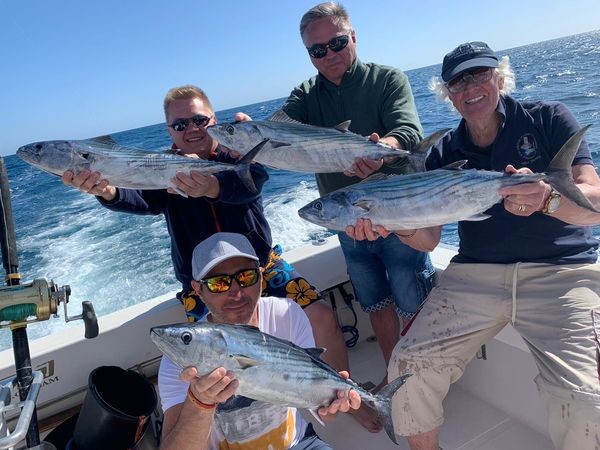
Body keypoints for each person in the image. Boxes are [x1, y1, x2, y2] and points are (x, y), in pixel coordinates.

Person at [350, 41, 600, 449]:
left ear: (499, 77)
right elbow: (429, 239)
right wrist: (395, 224)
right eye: (458, 82)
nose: (470, 88)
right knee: (407, 367)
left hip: (561, 272)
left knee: (586, 398)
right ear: (448, 94)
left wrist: (548, 198)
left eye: (479, 74)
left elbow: (595, 205)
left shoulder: (549, 118)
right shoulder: (444, 151)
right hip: (474, 275)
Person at [61, 85, 350, 375]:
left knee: (322, 317)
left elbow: (251, 184)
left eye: (199, 120)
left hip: (260, 267)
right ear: (169, 131)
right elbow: (140, 198)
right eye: (180, 124)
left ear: (214, 120)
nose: (191, 129)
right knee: (214, 360)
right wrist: (108, 191)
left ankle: (347, 396)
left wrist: (212, 186)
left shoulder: (239, 154)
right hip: (205, 284)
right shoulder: (159, 168)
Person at [281, 2, 435, 376]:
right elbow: (281, 127)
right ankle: (395, 378)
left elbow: (408, 131)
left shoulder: (387, 79)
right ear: (308, 54)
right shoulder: (306, 95)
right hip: (346, 224)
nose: (329, 55)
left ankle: (425, 382)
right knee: (375, 304)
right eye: (318, 50)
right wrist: (248, 130)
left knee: (415, 301)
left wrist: (384, 151)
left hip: (397, 216)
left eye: (337, 43)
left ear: (353, 36)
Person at [158, 232, 360, 450]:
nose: (236, 293)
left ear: (261, 276)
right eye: (219, 283)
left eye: (246, 277)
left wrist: (333, 404)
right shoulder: (179, 359)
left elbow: (326, 414)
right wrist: (200, 402)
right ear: (198, 290)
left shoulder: (287, 313)